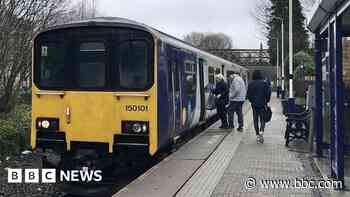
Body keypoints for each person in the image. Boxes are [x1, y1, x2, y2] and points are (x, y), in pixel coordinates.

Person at [247, 70, 271, 143]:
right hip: (263, 104)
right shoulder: (265, 83)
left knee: (255, 119)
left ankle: (257, 135)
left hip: (254, 105)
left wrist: (252, 101)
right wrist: (266, 101)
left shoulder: (251, 84)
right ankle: (261, 131)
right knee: (263, 119)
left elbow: (248, 95)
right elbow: (268, 93)